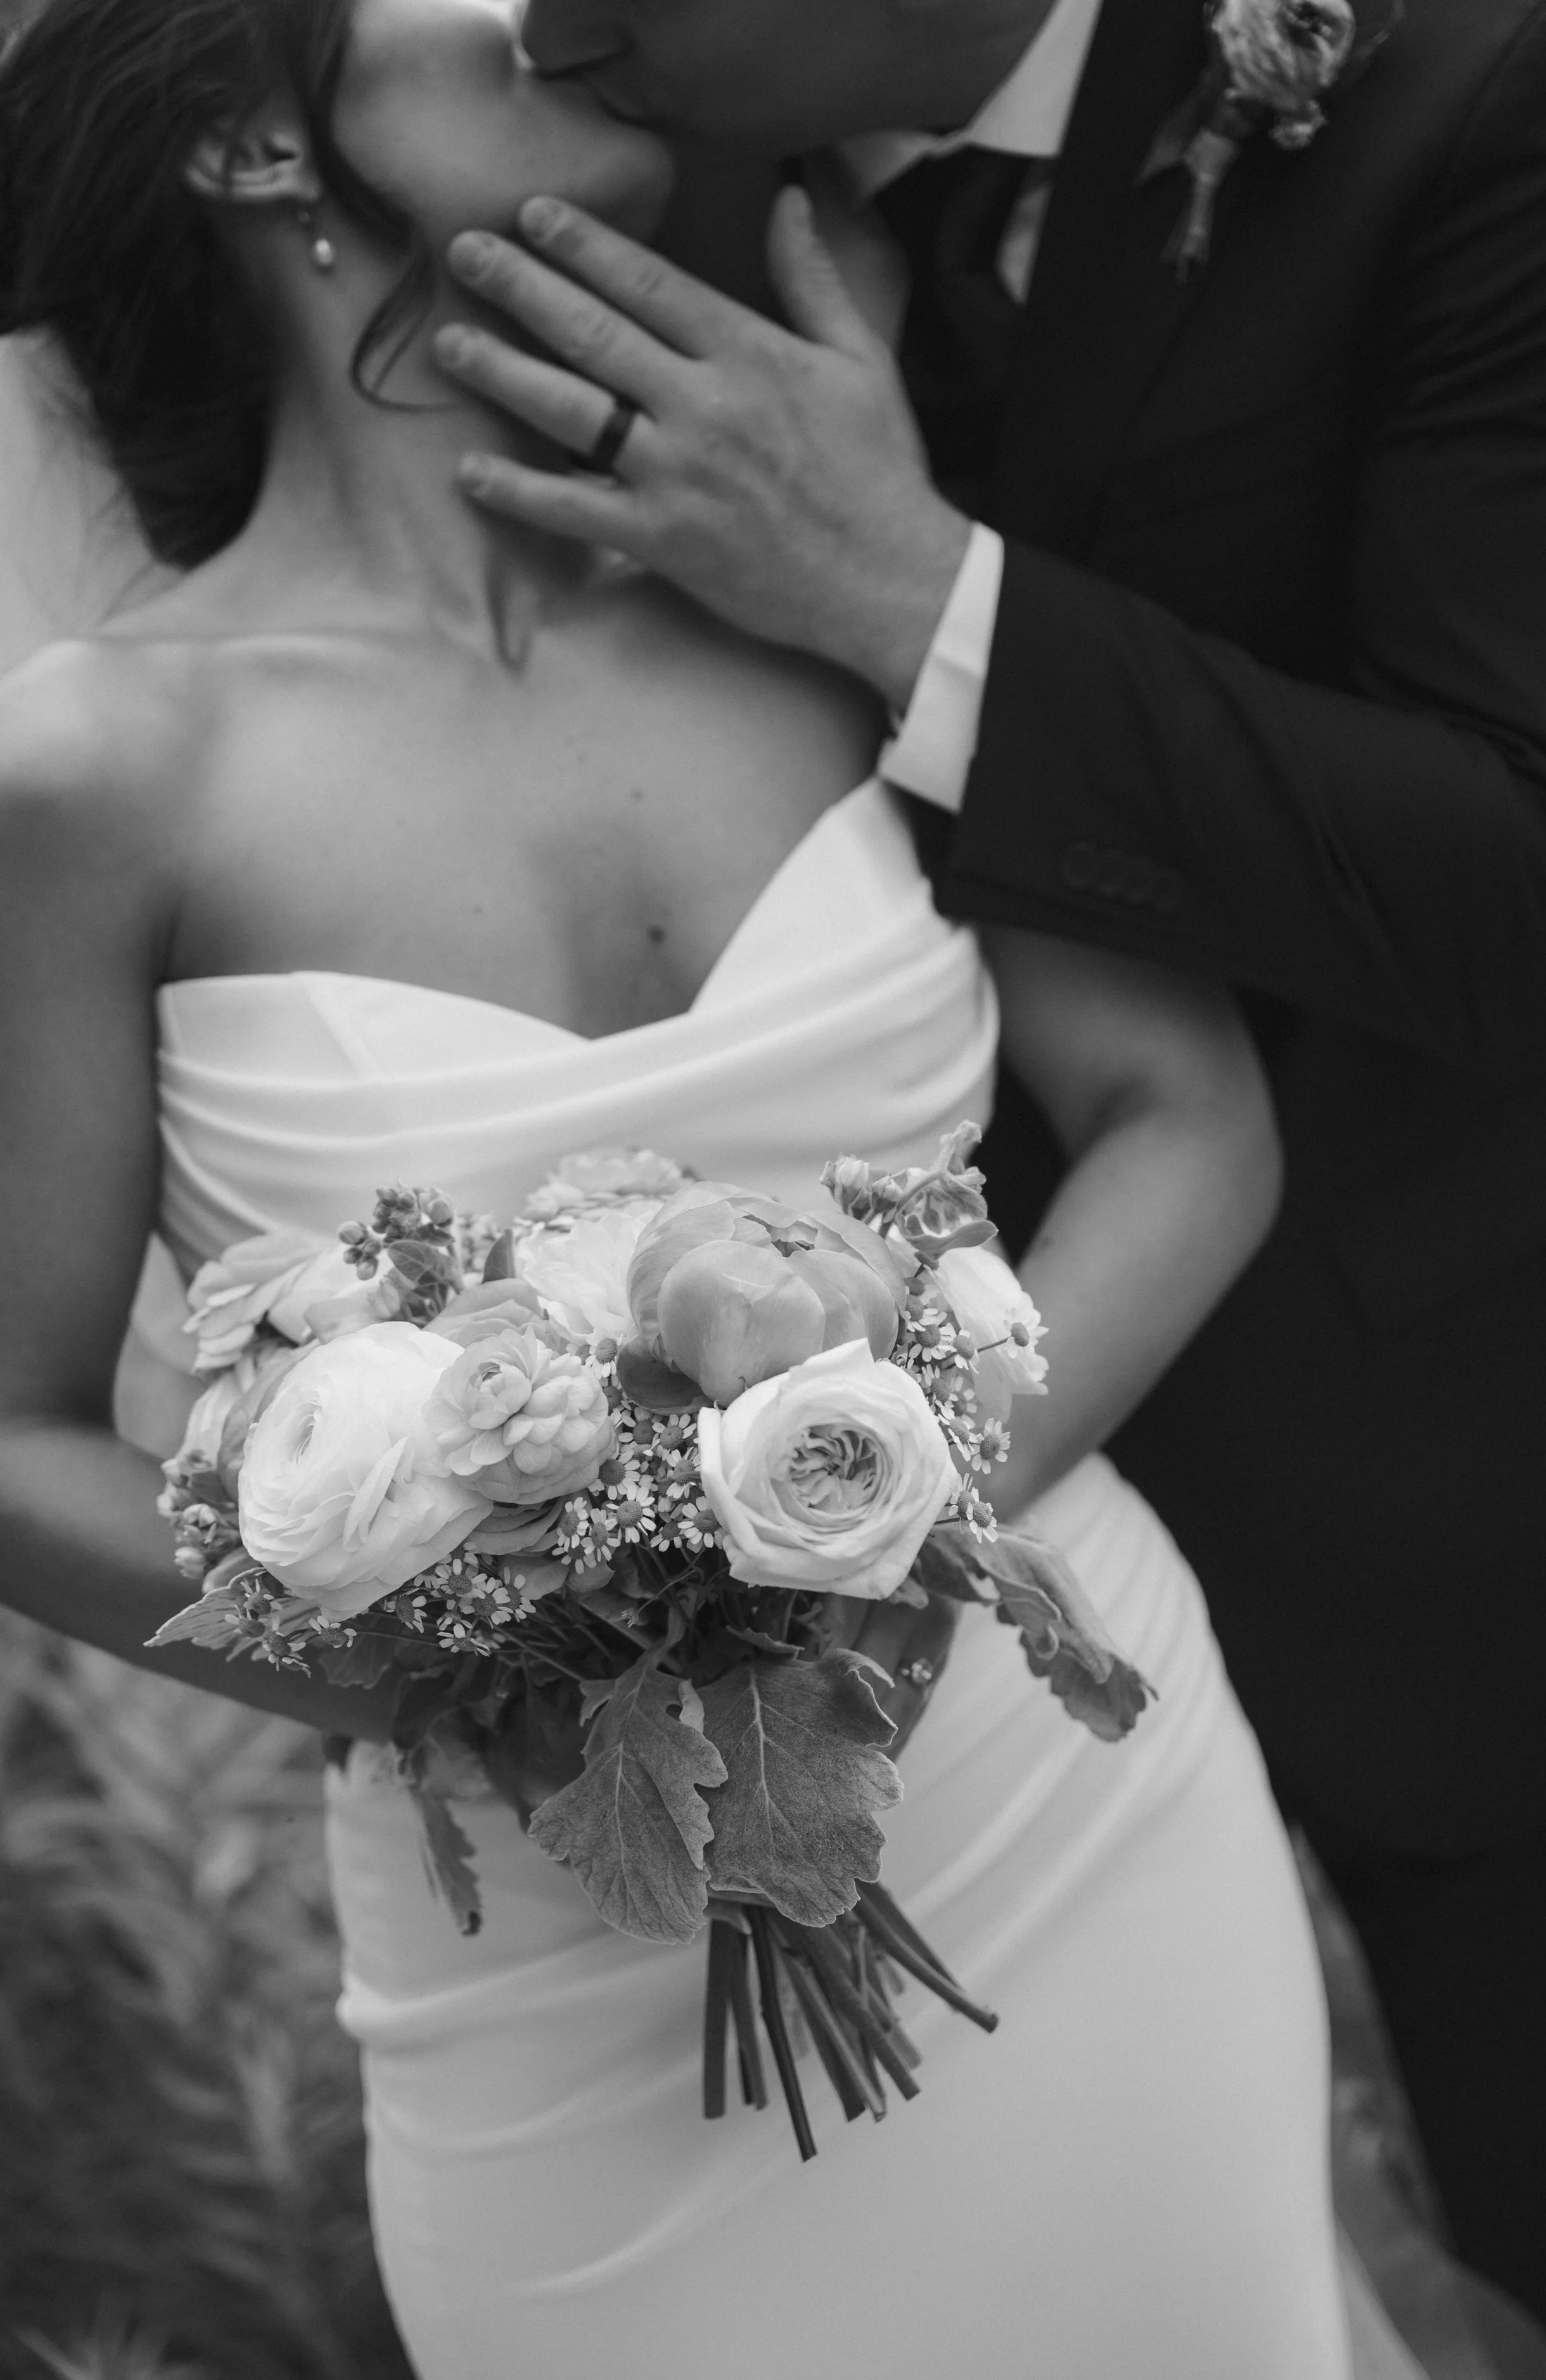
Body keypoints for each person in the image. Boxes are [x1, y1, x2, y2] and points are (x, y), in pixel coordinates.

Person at [0, 3, 1363, 2374]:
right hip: (553, 1935)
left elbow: (1186, 1120)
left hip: (1050, 1801)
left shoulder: (821, 568)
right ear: (243, 129)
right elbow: (6, 1445)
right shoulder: (100, 765)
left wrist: (875, 1532)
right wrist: (471, 1651)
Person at [425, 0, 1546, 2358]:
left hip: (1497, 1535)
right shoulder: (648, 177)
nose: (538, 15)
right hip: (887, 1686)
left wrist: (910, 595)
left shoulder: (1480, 89)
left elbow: (1535, 884)